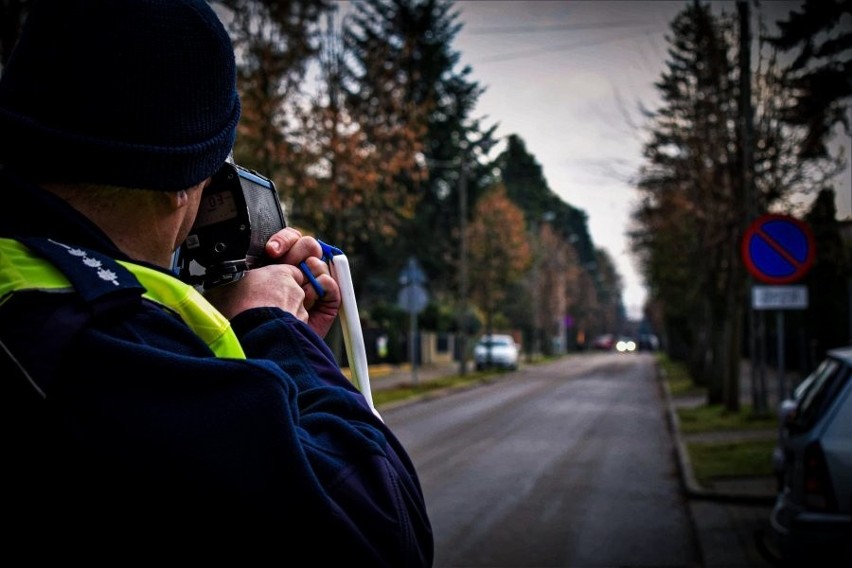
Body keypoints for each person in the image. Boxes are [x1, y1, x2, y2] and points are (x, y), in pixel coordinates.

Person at [0, 0, 433, 564]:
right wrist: (276, 330)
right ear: (182, 184)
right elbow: (382, 530)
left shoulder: (42, 295)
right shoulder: (107, 346)